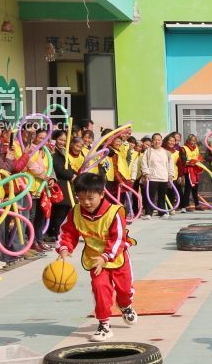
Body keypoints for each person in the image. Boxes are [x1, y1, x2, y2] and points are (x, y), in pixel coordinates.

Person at [57, 173, 137, 342]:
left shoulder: (114, 212)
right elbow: (67, 232)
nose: (86, 203)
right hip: (95, 261)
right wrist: (64, 248)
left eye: (90, 198)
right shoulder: (75, 213)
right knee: (100, 289)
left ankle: (125, 305)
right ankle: (104, 324)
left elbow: (118, 239)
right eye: (81, 198)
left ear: (101, 194)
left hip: (117, 258)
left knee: (124, 291)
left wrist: (106, 256)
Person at [139, 133, 176, 220]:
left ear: (161, 141)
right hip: (152, 178)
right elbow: (144, 163)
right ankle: (148, 213)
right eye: (155, 140)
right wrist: (146, 173)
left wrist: (170, 175)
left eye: (159, 140)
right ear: (152, 141)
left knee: (162, 197)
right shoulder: (148, 151)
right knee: (151, 196)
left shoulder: (166, 152)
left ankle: (162, 212)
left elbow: (171, 165)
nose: (157, 141)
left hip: (164, 177)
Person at [180, 134, 204, 211]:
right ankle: (185, 205)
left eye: (194, 141)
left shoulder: (196, 148)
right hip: (188, 170)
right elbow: (183, 160)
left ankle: (197, 204)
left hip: (195, 169)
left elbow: (198, 156)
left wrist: (199, 160)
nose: (193, 142)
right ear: (188, 140)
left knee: (195, 188)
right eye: (191, 140)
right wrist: (191, 162)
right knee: (188, 188)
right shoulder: (183, 148)